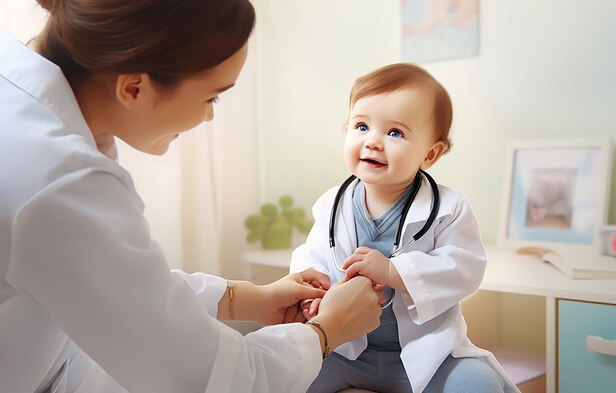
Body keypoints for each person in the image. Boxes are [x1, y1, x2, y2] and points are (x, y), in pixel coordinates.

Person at [0, 1, 383, 392]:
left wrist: (242, 298)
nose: (209, 117)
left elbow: (112, 281)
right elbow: (208, 381)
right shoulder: (62, 183)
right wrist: (326, 331)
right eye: (211, 98)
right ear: (134, 87)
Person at [290, 63, 520, 393]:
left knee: (478, 383)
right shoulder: (332, 204)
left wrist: (395, 271)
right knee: (287, 375)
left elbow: (465, 268)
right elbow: (312, 258)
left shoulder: (448, 208)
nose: (372, 142)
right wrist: (313, 293)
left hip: (428, 352)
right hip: (346, 351)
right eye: (361, 126)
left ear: (430, 153)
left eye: (394, 132)